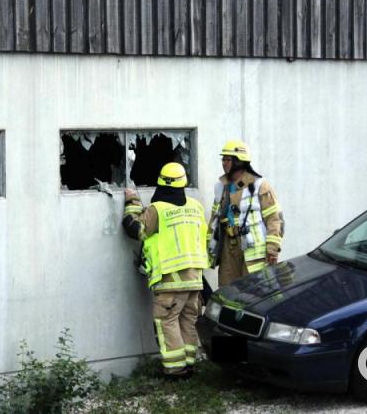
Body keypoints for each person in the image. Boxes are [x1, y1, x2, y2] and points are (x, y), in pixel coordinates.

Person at [122, 162, 209, 378]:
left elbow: (135, 229)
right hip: (195, 279)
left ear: (161, 183)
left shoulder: (158, 210)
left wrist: (132, 201)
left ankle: (175, 369)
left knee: (166, 321)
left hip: (170, 280)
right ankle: (189, 364)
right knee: (189, 320)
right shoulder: (196, 207)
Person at [209, 139, 285, 286]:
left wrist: (272, 249)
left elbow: (275, 219)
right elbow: (214, 221)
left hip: (252, 249)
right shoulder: (221, 187)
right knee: (228, 289)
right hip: (228, 246)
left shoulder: (259, 185)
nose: (223, 163)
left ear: (239, 161)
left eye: (227, 159)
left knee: (255, 290)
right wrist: (210, 250)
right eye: (223, 159)